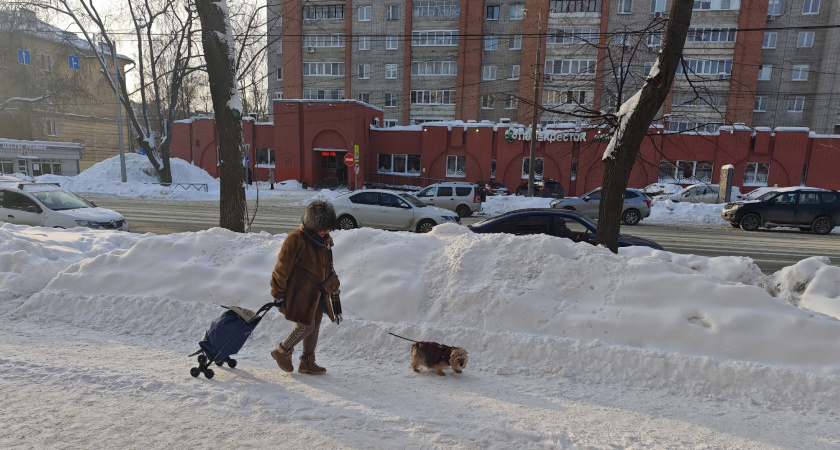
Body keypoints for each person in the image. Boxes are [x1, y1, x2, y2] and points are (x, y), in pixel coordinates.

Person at [269, 200, 339, 375]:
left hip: (318, 293)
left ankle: (307, 362)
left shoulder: (324, 242)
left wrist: (331, 283)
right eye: (322, 228)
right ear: (311, 224)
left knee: (314, 327)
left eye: (327, 228)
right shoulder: (296, 239)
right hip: (299, 292)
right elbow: (281, 269)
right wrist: (278, 294)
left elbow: (326, 266)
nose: (325, 232)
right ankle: (282, 350)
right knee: (306, 326)